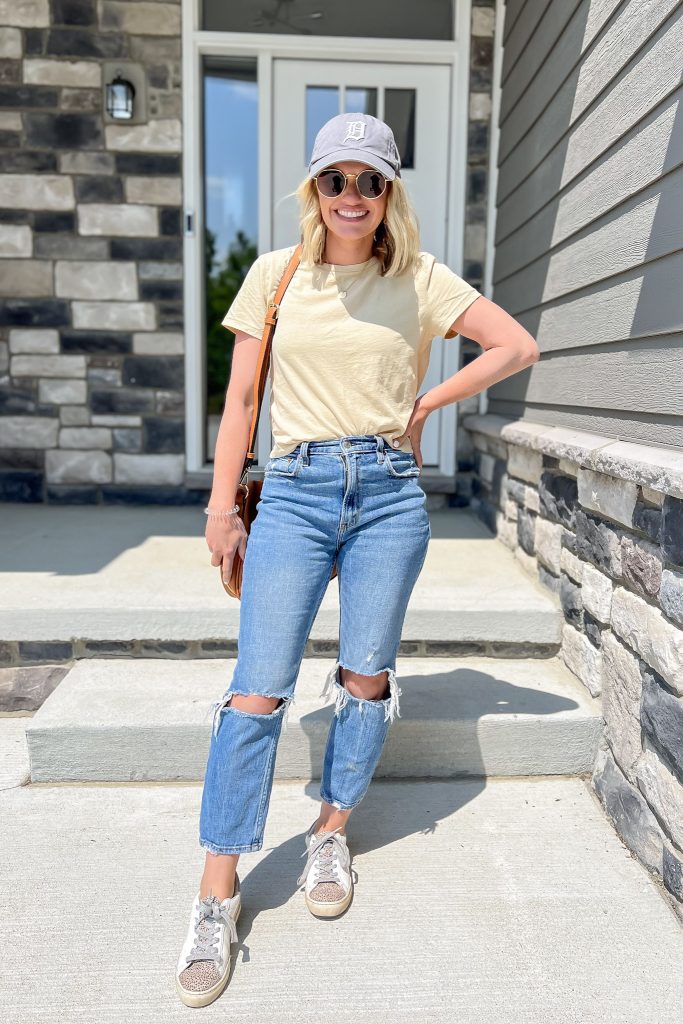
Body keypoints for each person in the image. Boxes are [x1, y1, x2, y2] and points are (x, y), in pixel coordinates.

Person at [175, 112, 540, 1007]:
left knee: (365, 677)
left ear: (388, 194)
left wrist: (423, 409)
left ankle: (331, 830)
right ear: (314, 190)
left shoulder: (418, 278)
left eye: (368, 181)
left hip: (385, 496)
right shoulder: (277, 274)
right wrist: (223, 507)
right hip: (294, 492)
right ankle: (216, 891)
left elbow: (514, 345)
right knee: (257, 688)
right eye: (334, 180)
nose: (351, 196)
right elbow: (242, 399)